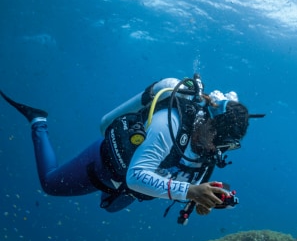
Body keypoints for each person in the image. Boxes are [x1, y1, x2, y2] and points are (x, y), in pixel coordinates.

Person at [2, 75, 252, 218]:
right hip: (103, 166)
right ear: (209, 122)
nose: (214, 149)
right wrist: (190, 192)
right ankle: (38, 121)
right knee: (49, 184)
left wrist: (201, 199)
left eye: (224, 147)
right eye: (216, 140)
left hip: (127, 188)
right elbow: (136, 176)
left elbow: (183, 180)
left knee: (110, 208)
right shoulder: (170, 125)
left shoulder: (207, 146)